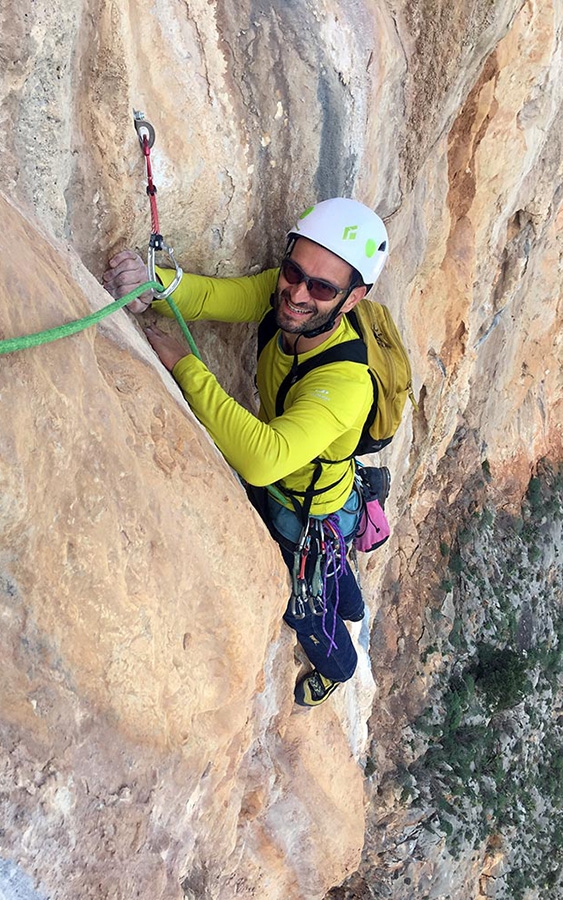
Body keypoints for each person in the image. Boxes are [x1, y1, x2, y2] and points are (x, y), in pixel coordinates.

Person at [103, 198, 389, 706]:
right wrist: (152, 282)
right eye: (293, 272)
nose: (297, 293)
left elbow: (262, 458)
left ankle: (339, 668)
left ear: (352, 299)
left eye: (321, 287)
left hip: (307, 511)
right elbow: (214, 296)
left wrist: (187, 366)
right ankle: (350, 602)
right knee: (335, 577)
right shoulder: (282, 298)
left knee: (304, 611)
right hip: (317, 497)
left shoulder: (346, 382)